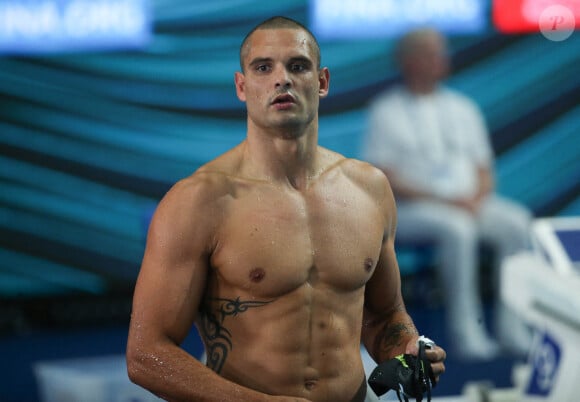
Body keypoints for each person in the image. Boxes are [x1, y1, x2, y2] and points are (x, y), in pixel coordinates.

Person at [126, 16, 446, 402]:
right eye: (264, 67)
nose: (282, 79)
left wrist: (409, 350)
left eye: (297, 66)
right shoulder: (199, 201)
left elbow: (384, 316)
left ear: (322, 81)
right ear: (242, 87)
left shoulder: (369, 189)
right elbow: (146, 354)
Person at [362, 28, 533, 361]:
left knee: (518, 223)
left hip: (469, 202)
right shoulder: (386, 111)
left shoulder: (463, 107)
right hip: (413, 208)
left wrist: (475, 198)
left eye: (442, 52)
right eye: (432, 53)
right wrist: (446, 201)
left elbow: (484, 169)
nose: (442, 59)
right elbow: (384, 176)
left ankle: (514, 325)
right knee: (457, 228)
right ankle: (466, 330)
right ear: (409, 61)